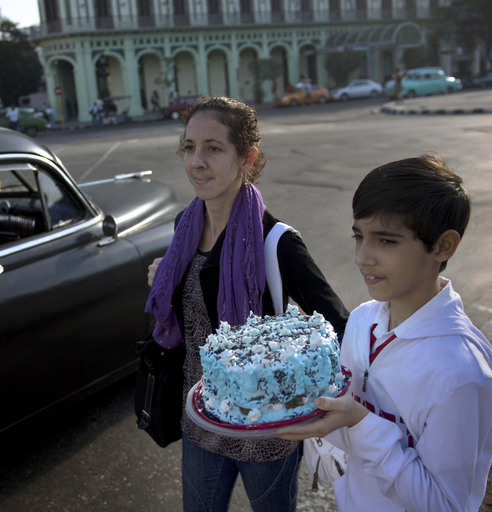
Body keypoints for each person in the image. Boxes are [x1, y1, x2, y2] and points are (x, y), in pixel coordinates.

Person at [145, 96, 348, 512]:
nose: (196, 162)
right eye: (189, 147)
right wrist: (163, 280)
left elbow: (340, 325)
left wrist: (314, 397)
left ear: (247, 157)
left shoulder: (277, 242)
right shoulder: (185, 232)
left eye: (213, 149)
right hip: (202, 420)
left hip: (267, 435)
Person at [280, 154, 492, 511]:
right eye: (359, 236)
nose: (361, 257)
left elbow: (445, 505)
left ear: (443, 246)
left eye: (386, 241)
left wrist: (361, 423)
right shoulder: (361, 321)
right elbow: (340, 417)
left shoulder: (461, 376)